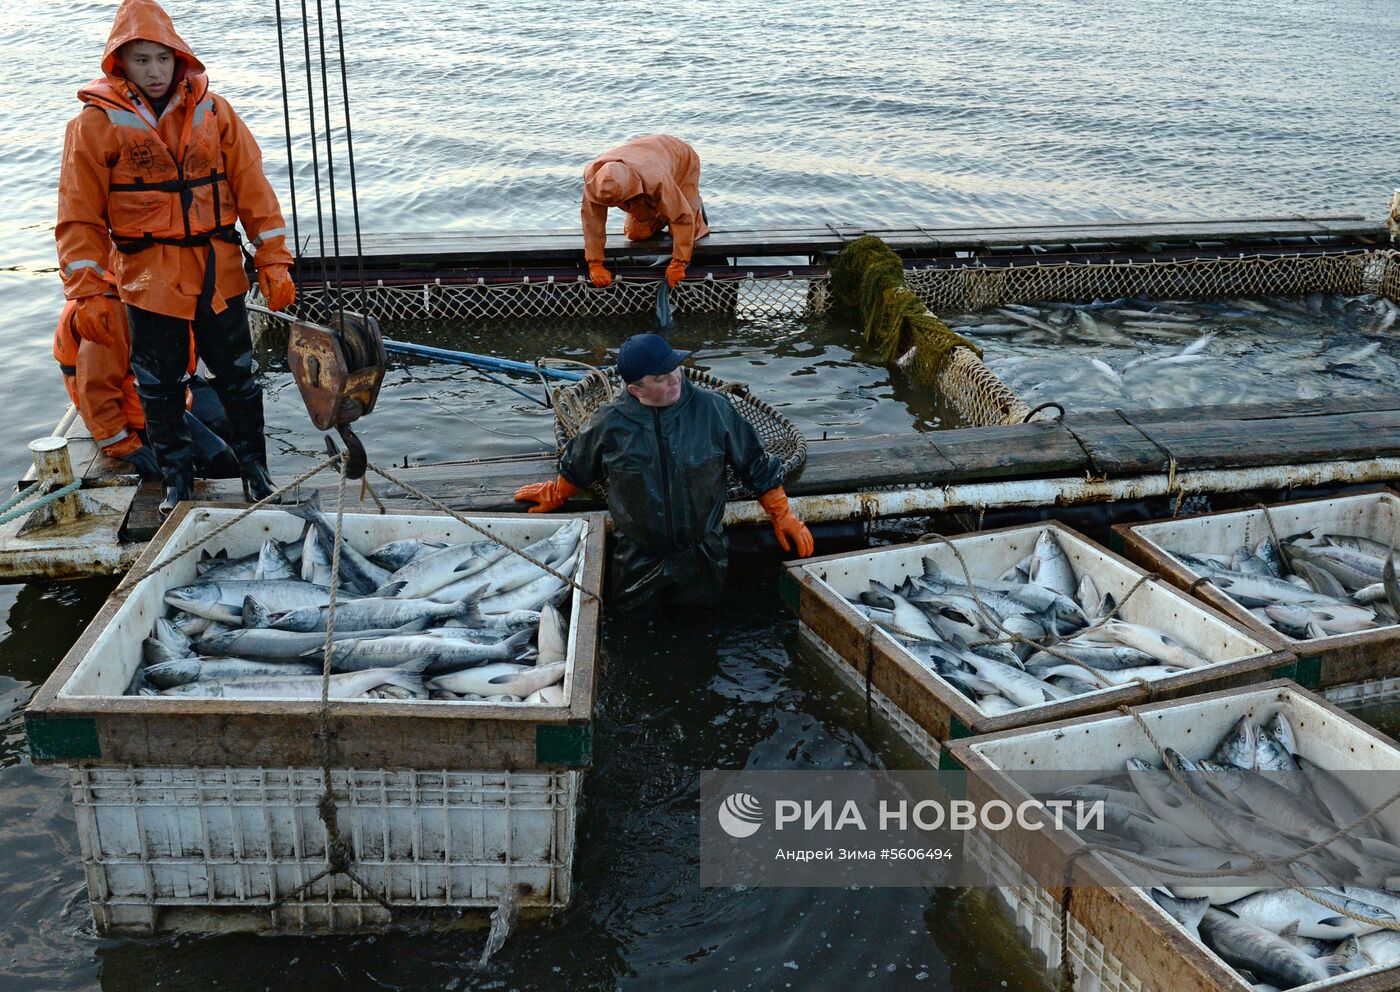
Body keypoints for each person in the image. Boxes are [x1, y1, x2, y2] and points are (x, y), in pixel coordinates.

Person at [55, 0, 297, 515]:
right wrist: (88, 292)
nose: (155, 71)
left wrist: (273, 257)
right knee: (159, 385)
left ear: (179, 59)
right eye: (141, 59)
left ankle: (257, 471)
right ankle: (176, 482)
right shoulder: (94, 126)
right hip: (147, 277)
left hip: (218, 272)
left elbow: (253, 188)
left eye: (162, 59)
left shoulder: (217, 112)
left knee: (238, 375)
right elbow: (79, 217)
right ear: (120, 63)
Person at [514, 334, 814, 610]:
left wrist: (782, 514)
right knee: (636, 633)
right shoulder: (608, 422)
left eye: (675, 368)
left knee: (702, 633)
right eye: (660, 378)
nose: (674, 380)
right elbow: (577, 465)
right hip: (637, 556)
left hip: (703, 553)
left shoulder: (714, 409)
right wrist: (556, 493)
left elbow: (755, 463)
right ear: (635, 389)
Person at [582, 135, 710, 291]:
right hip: (646, 157)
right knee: (637, 233)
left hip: (680, 157)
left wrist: (679, 262)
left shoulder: (656, 178)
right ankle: (664, 210)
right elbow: (592, 223)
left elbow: (681, 217)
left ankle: (692, 207)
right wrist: (595, 263)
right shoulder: (594, 177)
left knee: (689, 227)